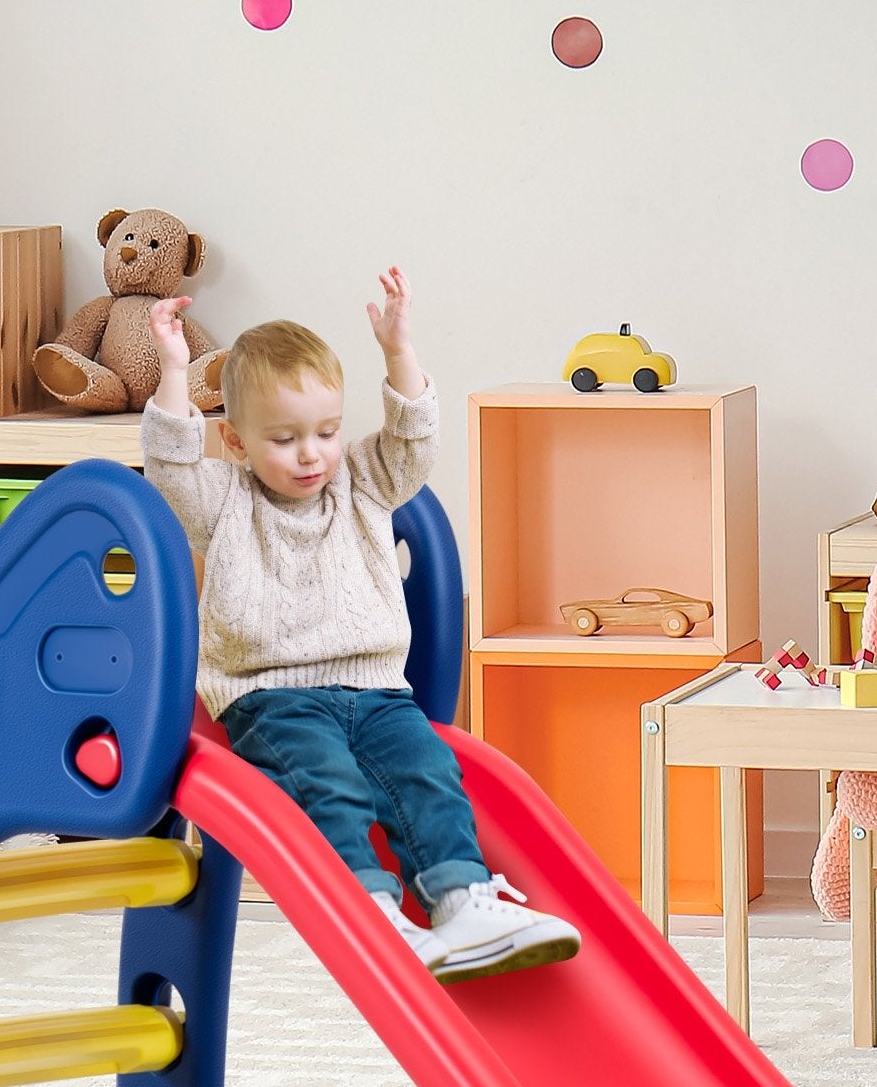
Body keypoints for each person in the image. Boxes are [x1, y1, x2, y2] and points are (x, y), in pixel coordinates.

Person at [141, 268, 580, 983]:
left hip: (377, 689)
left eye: (325, 431)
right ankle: (368, 909)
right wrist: (173, 370)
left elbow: (413, 441)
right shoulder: (221, 499)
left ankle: (460, 896)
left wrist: (398, 353)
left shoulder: (364, 482)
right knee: (328, 782)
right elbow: (169, 463)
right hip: (271, 696)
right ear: (236, 440)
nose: (311, 453)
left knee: (428, 772)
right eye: (284, 439)